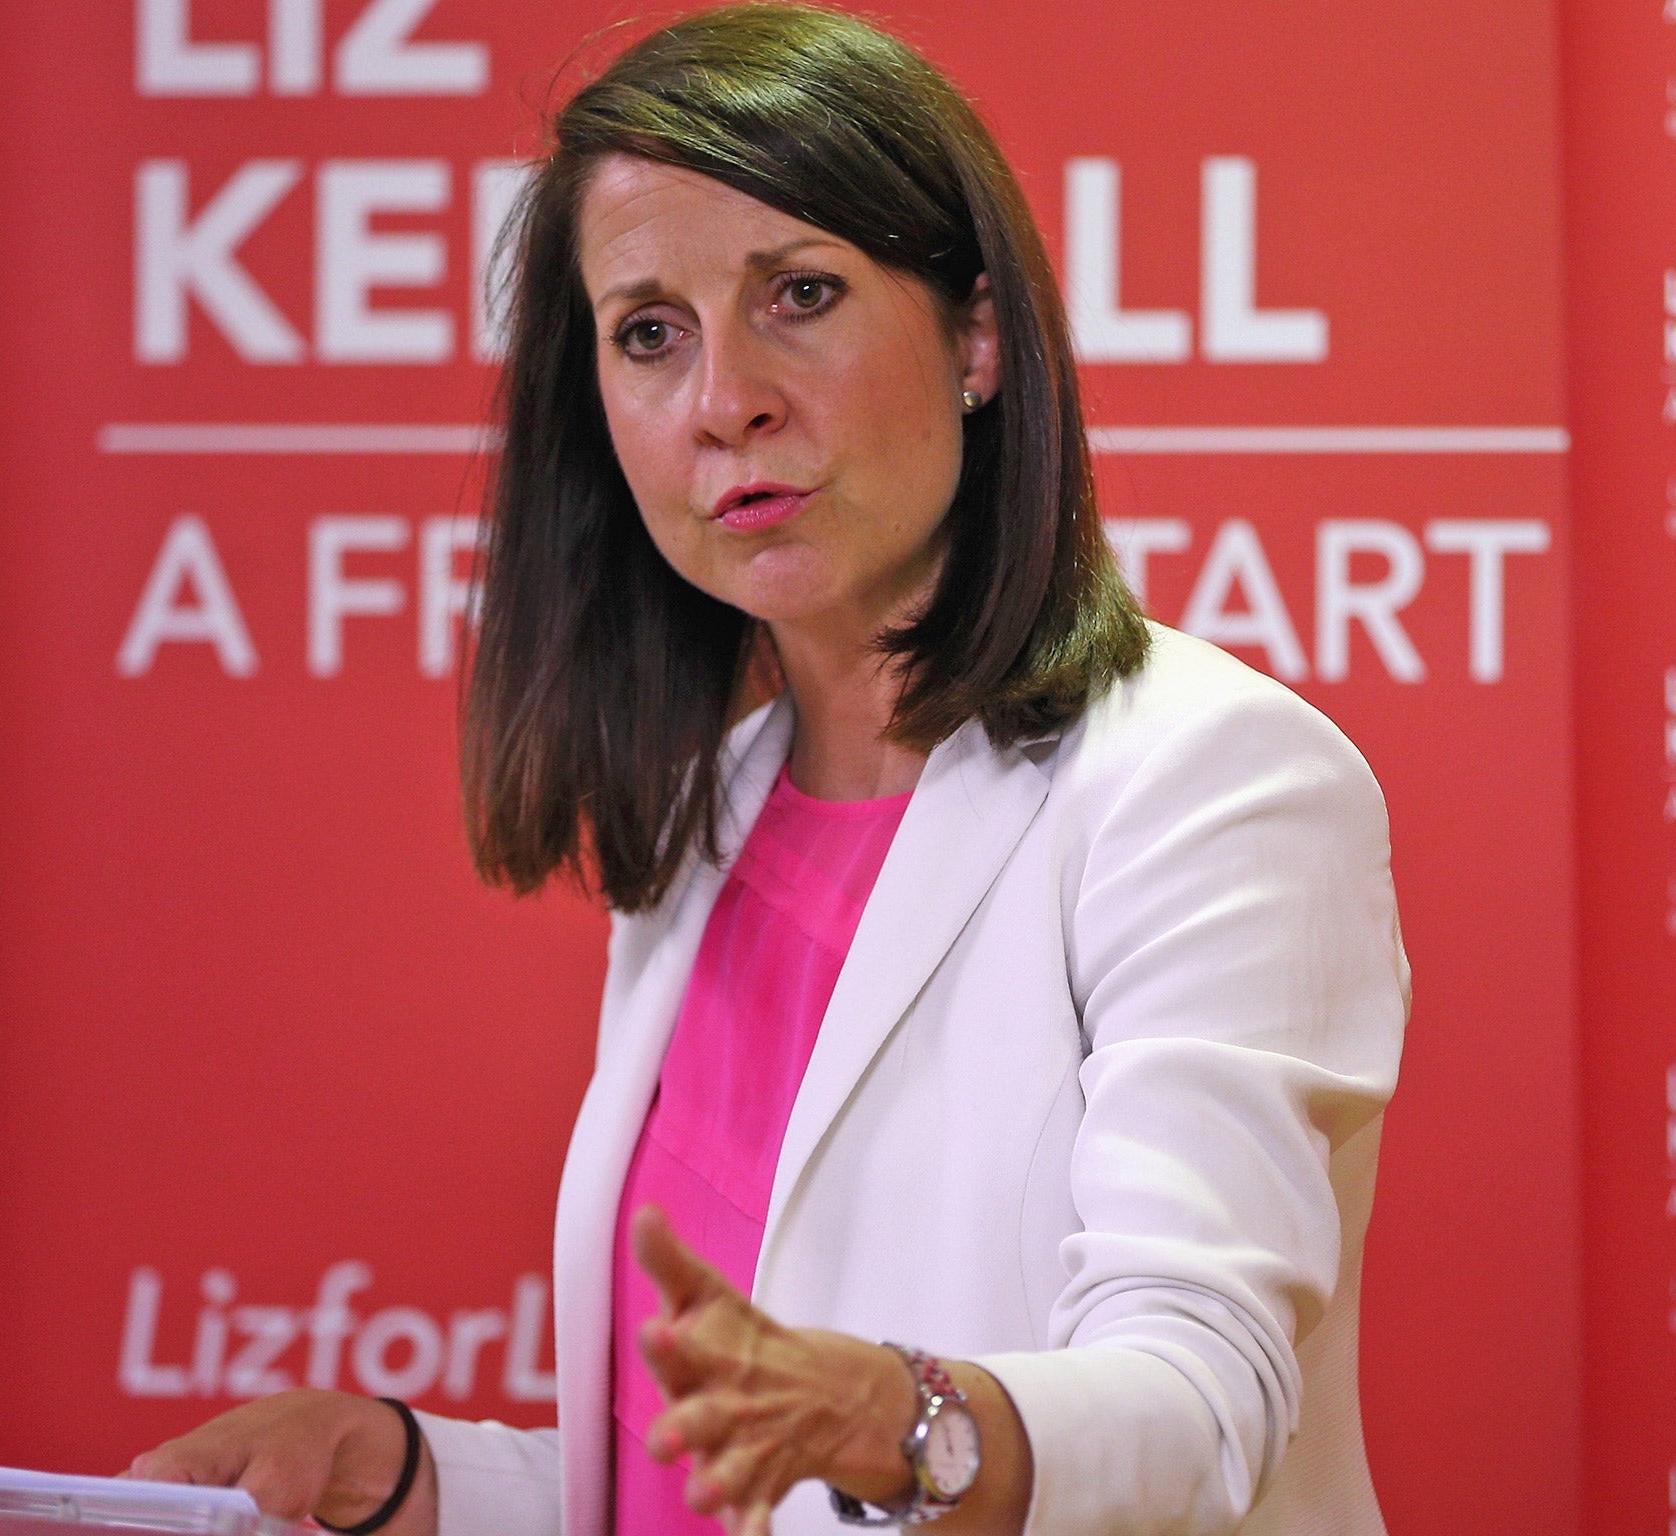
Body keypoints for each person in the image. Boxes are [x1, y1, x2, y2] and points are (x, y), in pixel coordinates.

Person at [123, 6, 1410, 1536]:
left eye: (800, 294)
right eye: (648, 333)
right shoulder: (717, 807)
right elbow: (732, 1482)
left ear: (979, 334)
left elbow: (1198, 1421)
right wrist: (412, 1477)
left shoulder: (1217, 780)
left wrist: (900, 1413)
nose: (723, 397)